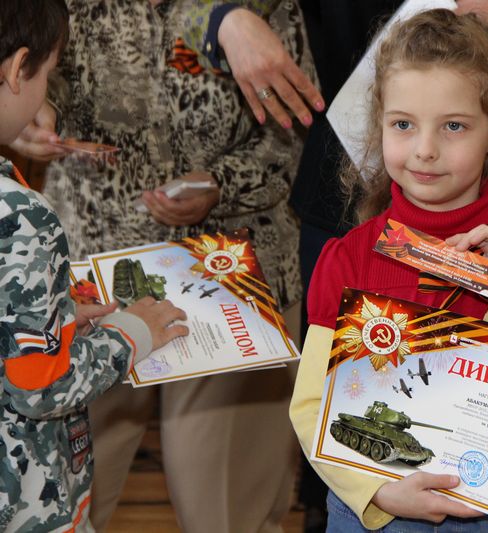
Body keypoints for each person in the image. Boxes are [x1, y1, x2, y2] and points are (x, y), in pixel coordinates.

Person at [9, 1, 315, 531]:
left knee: (225, 510)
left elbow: (296, 128)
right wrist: (31, 123)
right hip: (91, 274)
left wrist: (221, 184)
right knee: (64, 499)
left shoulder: (262, 7)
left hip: (233, 275)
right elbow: (28, 69)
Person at [289, 9, 488, 532]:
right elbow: (311, 406)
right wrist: (377, 489)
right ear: (378, 124)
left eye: (453, 126)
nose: (425, 150)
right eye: (403, 125)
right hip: (372, 510)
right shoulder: (351, 257)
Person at [0, 1, 188, 530]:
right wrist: (129, 335)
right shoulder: (23, 217)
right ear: (18, 69)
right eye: (49, 72)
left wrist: (51, 320)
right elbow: (39, 388)